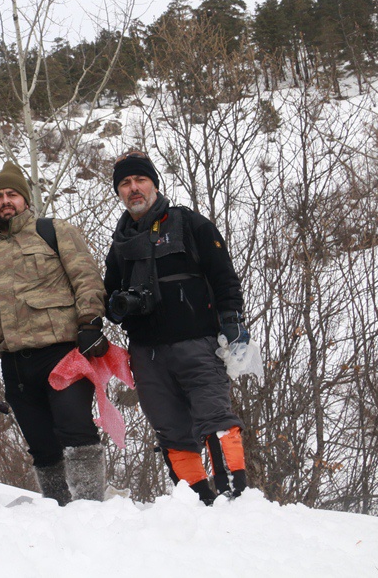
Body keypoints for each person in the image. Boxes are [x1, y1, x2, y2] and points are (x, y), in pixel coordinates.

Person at [104, 150, 250, 503]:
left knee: (215, 418)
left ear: (154, 184)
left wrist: (232, 321)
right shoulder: (120, 244)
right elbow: (108, 298)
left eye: (140, 180)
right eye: (125, 183)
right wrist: (117, 305)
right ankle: (198, 503)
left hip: (197, 342)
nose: (134, 188)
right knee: (170, 430)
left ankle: (235, 500)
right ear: (119, 192)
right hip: (146, 353)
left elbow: (224, 276)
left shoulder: (189, 224)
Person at [0, 161, 109, 503]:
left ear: (25, 200)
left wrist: (90, 323)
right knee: (42, 446)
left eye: (11, 194)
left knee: (76, 429)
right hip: (15, 365)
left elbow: (86, 277)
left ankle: (91, 509)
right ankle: (57, 509)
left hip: (62, 353)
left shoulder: (54, 231)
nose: (5, 201)